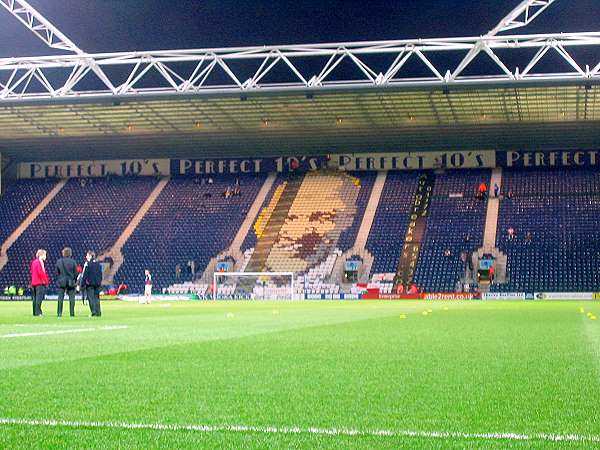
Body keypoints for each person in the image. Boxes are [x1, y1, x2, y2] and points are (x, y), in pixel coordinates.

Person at [56, 247, 78, 317]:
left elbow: (57, 272)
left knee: (60, 298)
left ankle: (59, 313)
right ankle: (72, 313)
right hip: (71, 282)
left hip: (61, 282)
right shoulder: (73, 262)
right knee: (72, 298)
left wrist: (60, 278)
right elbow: (76, 273)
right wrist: (74, 279)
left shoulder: (59, 261)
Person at [82, 251, 102, 317]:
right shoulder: (98, 264)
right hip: (97, 284)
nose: (86, 257)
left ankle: (93, 312)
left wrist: (82, 283)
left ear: (90, 256)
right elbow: (100, 274)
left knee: (91, 298)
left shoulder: (87, 264)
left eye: (87, 255)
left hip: (90, 284)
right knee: (97, 298)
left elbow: (85, 275)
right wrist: (99, 282)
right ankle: (98, 312)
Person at [30, 249, 49, 317]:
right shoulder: (39, 262)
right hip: (39, 283)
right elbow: (41, 272)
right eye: (45, 255)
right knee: (39, 298)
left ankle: (35, 312)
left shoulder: (34, 262)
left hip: (33, 282)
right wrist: (46, 281)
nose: (45, 256)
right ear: (41, 255)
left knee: (35, 298)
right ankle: (38, 312)